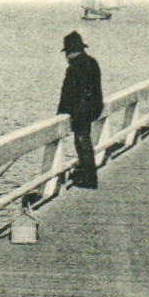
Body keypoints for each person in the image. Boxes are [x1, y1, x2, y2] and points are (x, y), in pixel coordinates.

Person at [57, 31, 104, 189]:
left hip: (82, 110)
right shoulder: (92, 61)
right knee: (85, 140)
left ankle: (90, 178)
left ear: (69, 52)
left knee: (82, 141)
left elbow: (68, 94)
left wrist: (61, 114)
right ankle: (87, 173)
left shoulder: (74, 68)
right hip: (94, 107)